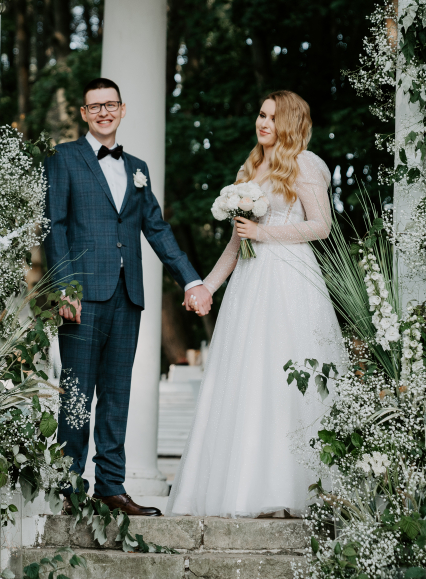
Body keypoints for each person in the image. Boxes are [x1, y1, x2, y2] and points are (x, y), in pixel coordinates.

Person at [167, 90, 348, 518]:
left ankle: (292, 490)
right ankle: (244, 489)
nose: (263, 123)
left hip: (289, 281)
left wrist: (264, 234)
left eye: (272, 117)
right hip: (249, 285)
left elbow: (321, 226)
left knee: (284, 380)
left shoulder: (303, 164)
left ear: (290, 123)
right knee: (246, 378)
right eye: (261, 114)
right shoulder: (248, 169)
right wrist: (207, 287)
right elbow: (236, 243)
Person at [44, 77, 213, 517]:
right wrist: (63, 287)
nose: (103, 112)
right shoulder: (64, 158)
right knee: (77, 394)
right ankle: (68, 488)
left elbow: (156, 228)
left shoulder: (138, 167)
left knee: (117, 395)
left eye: (110, 104)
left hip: (127, 296)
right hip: (81, 296)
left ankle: (111, 487)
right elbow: (54, 226)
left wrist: (192, 281)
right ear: (84, 113)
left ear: (122, 110)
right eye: (94, 106)